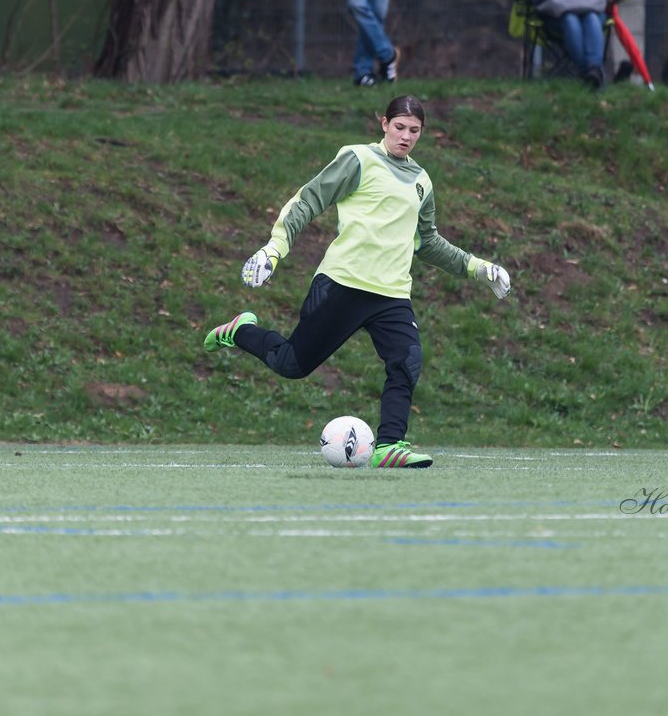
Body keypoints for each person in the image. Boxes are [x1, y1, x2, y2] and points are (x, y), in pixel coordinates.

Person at [202, 95, 512, 468]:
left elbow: (426, 242)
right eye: (399, 127)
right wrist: (274, 249)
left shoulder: (421, 182)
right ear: (384, 124)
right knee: (291, 364)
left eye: (415, 131)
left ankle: (389, 445)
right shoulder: (358, 159)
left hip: (392, 294)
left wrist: (479, 267)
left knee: (407, 360)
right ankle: (239, 331)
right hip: (343, 283)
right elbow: (307, 201)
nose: (406, 136)